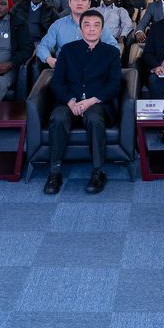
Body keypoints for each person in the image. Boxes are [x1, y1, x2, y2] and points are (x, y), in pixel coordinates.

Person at [44, 10, 122, 196]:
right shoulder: (67, 50)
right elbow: (57, 82)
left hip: (97, 102)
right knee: (58, 117)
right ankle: (54, 172)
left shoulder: (111, 52)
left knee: (94, 118)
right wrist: (70, 101)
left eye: (96, 25)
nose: (92, 29)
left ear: (102, 30)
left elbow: (115, 84)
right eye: (87, 25)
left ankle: (98, 172)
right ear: (80, 29)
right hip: (69, 101)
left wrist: (91, 101)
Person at [37, 0, 119, 68]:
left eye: (83, 0)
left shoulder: (98, 25)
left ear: (89, 4)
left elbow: (114, 47)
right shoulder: (58, 25)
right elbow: (42, 46)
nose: (80, 3)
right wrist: (49, 59)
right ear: (69, 3)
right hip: (66, 69)